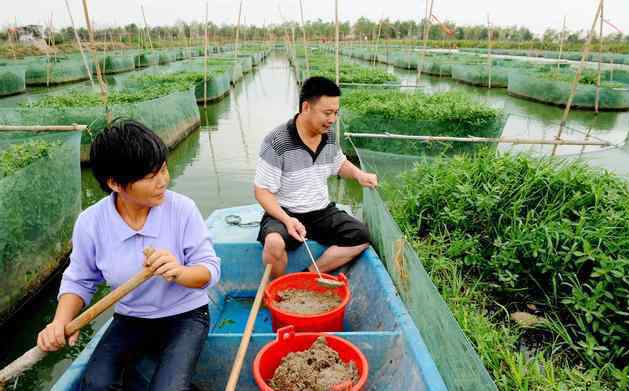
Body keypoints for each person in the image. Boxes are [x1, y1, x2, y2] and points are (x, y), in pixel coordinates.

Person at [36, 119, 220, 390]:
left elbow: (209, 271)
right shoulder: (91, 222)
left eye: (164, 169)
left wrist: (179, 272)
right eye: (150, 176)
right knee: (96, 384)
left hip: (186, 315)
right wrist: (60, 322)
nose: (163, 182)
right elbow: (80, 279)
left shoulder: (182, 209)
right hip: (131, 317)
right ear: (114, 183)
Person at [254, 76, 378, 278]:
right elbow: (262, 191)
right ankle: (277, 287)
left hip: (321, 211)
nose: (332, 119)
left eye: (336, 113)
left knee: (362, 237)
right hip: (285, 211)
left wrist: (358, 174)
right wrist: (287, 220)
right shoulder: (277, 141)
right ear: (305, 107)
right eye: (327, 113)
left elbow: (339, 164)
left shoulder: (328, 136)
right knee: (274, 244)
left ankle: (309, 275)